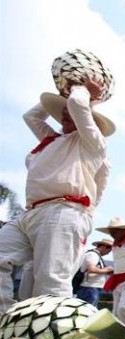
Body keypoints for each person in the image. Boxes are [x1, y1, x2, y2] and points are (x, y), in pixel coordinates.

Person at [0, 75, 115, 313]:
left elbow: (77, 105)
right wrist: (62, 92)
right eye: (61, 110)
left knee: (50, 282)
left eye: (69, 110)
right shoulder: (52, 140)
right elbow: (31, 116)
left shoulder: (93, 144)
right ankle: (7, 320)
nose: (64, 112)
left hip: (64, 211)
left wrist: (83, 90)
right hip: (30, 213)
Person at [76, 238, 114, 307]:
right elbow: (91, 269)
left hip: (92, 288)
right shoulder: (93, 255)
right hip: (89, 288)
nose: (108, 253)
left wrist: (105, 271)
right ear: (104, 247)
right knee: (88, 312)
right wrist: (107, 270)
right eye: (109, 250)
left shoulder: (96, 255)